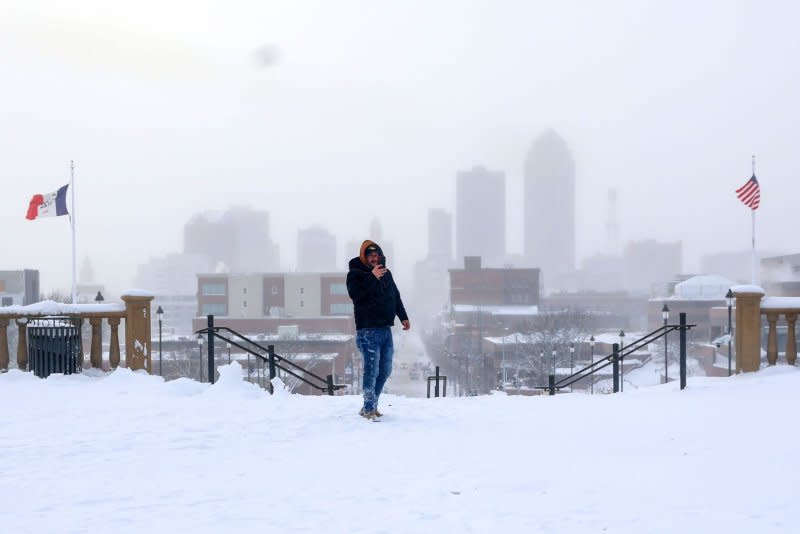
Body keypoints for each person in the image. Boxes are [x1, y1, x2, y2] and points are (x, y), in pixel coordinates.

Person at [347, 240, 410, 420]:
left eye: (377, 255)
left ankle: (372, 405)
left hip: (385, 329)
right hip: (368, 331)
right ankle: (368, 408)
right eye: (371, 256)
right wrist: (372, 277)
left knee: (385, 370)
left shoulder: (386, 273)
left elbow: (395, 296)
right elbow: (356, 296)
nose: (374, 259)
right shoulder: (355, 274)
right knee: (371, 370)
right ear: (364, 257)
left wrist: (403, 316)